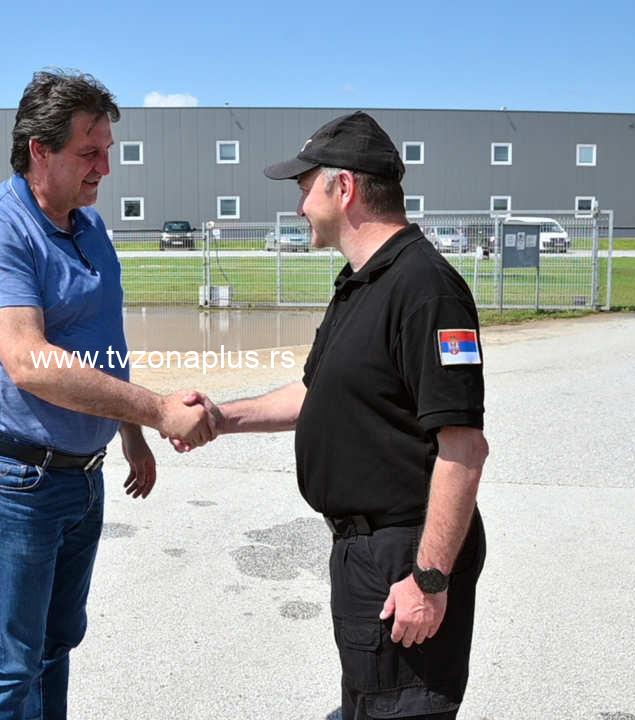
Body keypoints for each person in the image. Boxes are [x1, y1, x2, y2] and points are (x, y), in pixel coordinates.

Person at [187, 112, 489, 720]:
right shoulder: (361, 282)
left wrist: (429, 580)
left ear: (343, 187)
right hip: (365, 554)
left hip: (405, 556)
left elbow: (463, 449)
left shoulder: (426, 290)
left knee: (400, 708)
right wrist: (220, 417)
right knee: (367, 703)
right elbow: (314, 394)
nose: (299, 205)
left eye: (305, 187)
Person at [0, 69, 216, 720]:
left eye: (107, 151)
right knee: (12, 662)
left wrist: (130, 436)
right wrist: (157, 411)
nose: (105, 168)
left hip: (80, 473)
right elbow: (30, 362)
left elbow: (103, 340)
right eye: (89, 152)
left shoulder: (88, 227)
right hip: (15, 478)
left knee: (56, 642)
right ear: (39, 150)